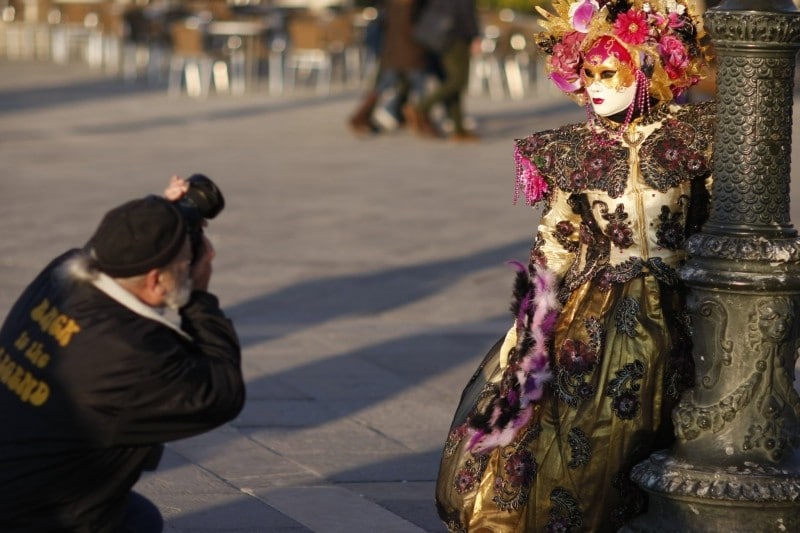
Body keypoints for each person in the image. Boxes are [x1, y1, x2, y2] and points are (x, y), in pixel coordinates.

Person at [435, 0, 714, 530]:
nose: (596, 87)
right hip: (601, 308)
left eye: (610, 73)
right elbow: (556, 241)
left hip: (688, 302)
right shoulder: (575, 151)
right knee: (583, 424)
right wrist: (530, 324)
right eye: (587, 75)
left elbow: (724, 221)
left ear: (648, 70)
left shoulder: (697, 137)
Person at [0, 175, 245, 533]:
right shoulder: (131, 357)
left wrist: (159, 217)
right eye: (183, 261)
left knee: (138, 514)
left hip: (17, 475)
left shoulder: (62, 273)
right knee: (138, 523)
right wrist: (197, 297)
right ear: (154, 281)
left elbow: (116, 248)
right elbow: (221, 392)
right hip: (33, 515)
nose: (191, 261)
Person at [348, 0, 429, 135]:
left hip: (393, 48)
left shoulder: (391, 4)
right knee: (419, 85)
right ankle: (423, 119)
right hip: (411, 49)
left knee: (386, 83)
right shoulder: (414, 4)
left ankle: (362, 115)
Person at [404, 0, 480, 141]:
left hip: (440, 37)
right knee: (458, 80)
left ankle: (459, 129)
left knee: (451, 81)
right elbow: (465, 9)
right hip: (457, 37)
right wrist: (474, 35)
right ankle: (420, 108)